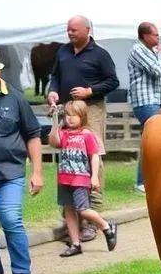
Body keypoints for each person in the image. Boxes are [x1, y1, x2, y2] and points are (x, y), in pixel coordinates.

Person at [47, 15, 119, 242]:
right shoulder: (63, 52)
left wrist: (90, 90)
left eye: (74, 30)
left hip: (92, 109)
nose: (70, 33)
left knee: (91, 155)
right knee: (69, 155)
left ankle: (91, 218)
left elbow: (113, 82)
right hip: (69, 110)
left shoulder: (100, 54)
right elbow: (55, 76)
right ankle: (71, 217)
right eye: (68, 30)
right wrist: (53, 90)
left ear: (87, 30)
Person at [0, 47, 43, 274]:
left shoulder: (15, 97)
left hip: (9, 173)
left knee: (11, 220)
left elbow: (32, 135)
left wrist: (37, 172)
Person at [48, 101, 117, 257]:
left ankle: (107, 226)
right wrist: (54, 118)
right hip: (64, 178)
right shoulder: (64, 133)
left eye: (75, 115)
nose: (70, 118)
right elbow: (54, 141)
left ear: (83, 116)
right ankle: (75, 243)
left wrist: (94, 177)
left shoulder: (87, 134)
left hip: (81, 179)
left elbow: (94, 156)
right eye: (68, 115)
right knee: (69, 210)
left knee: (83, 209)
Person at [127, 22, 161, 193]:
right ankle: (141, 182)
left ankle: (151, 180)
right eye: (155, 35)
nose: (158, 38)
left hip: (156, 100)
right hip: (145, 102)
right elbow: (157, 71)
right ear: (145, 36)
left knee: (154, 140)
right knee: (152, 140)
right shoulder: (138, 50)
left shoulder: (150, 51)